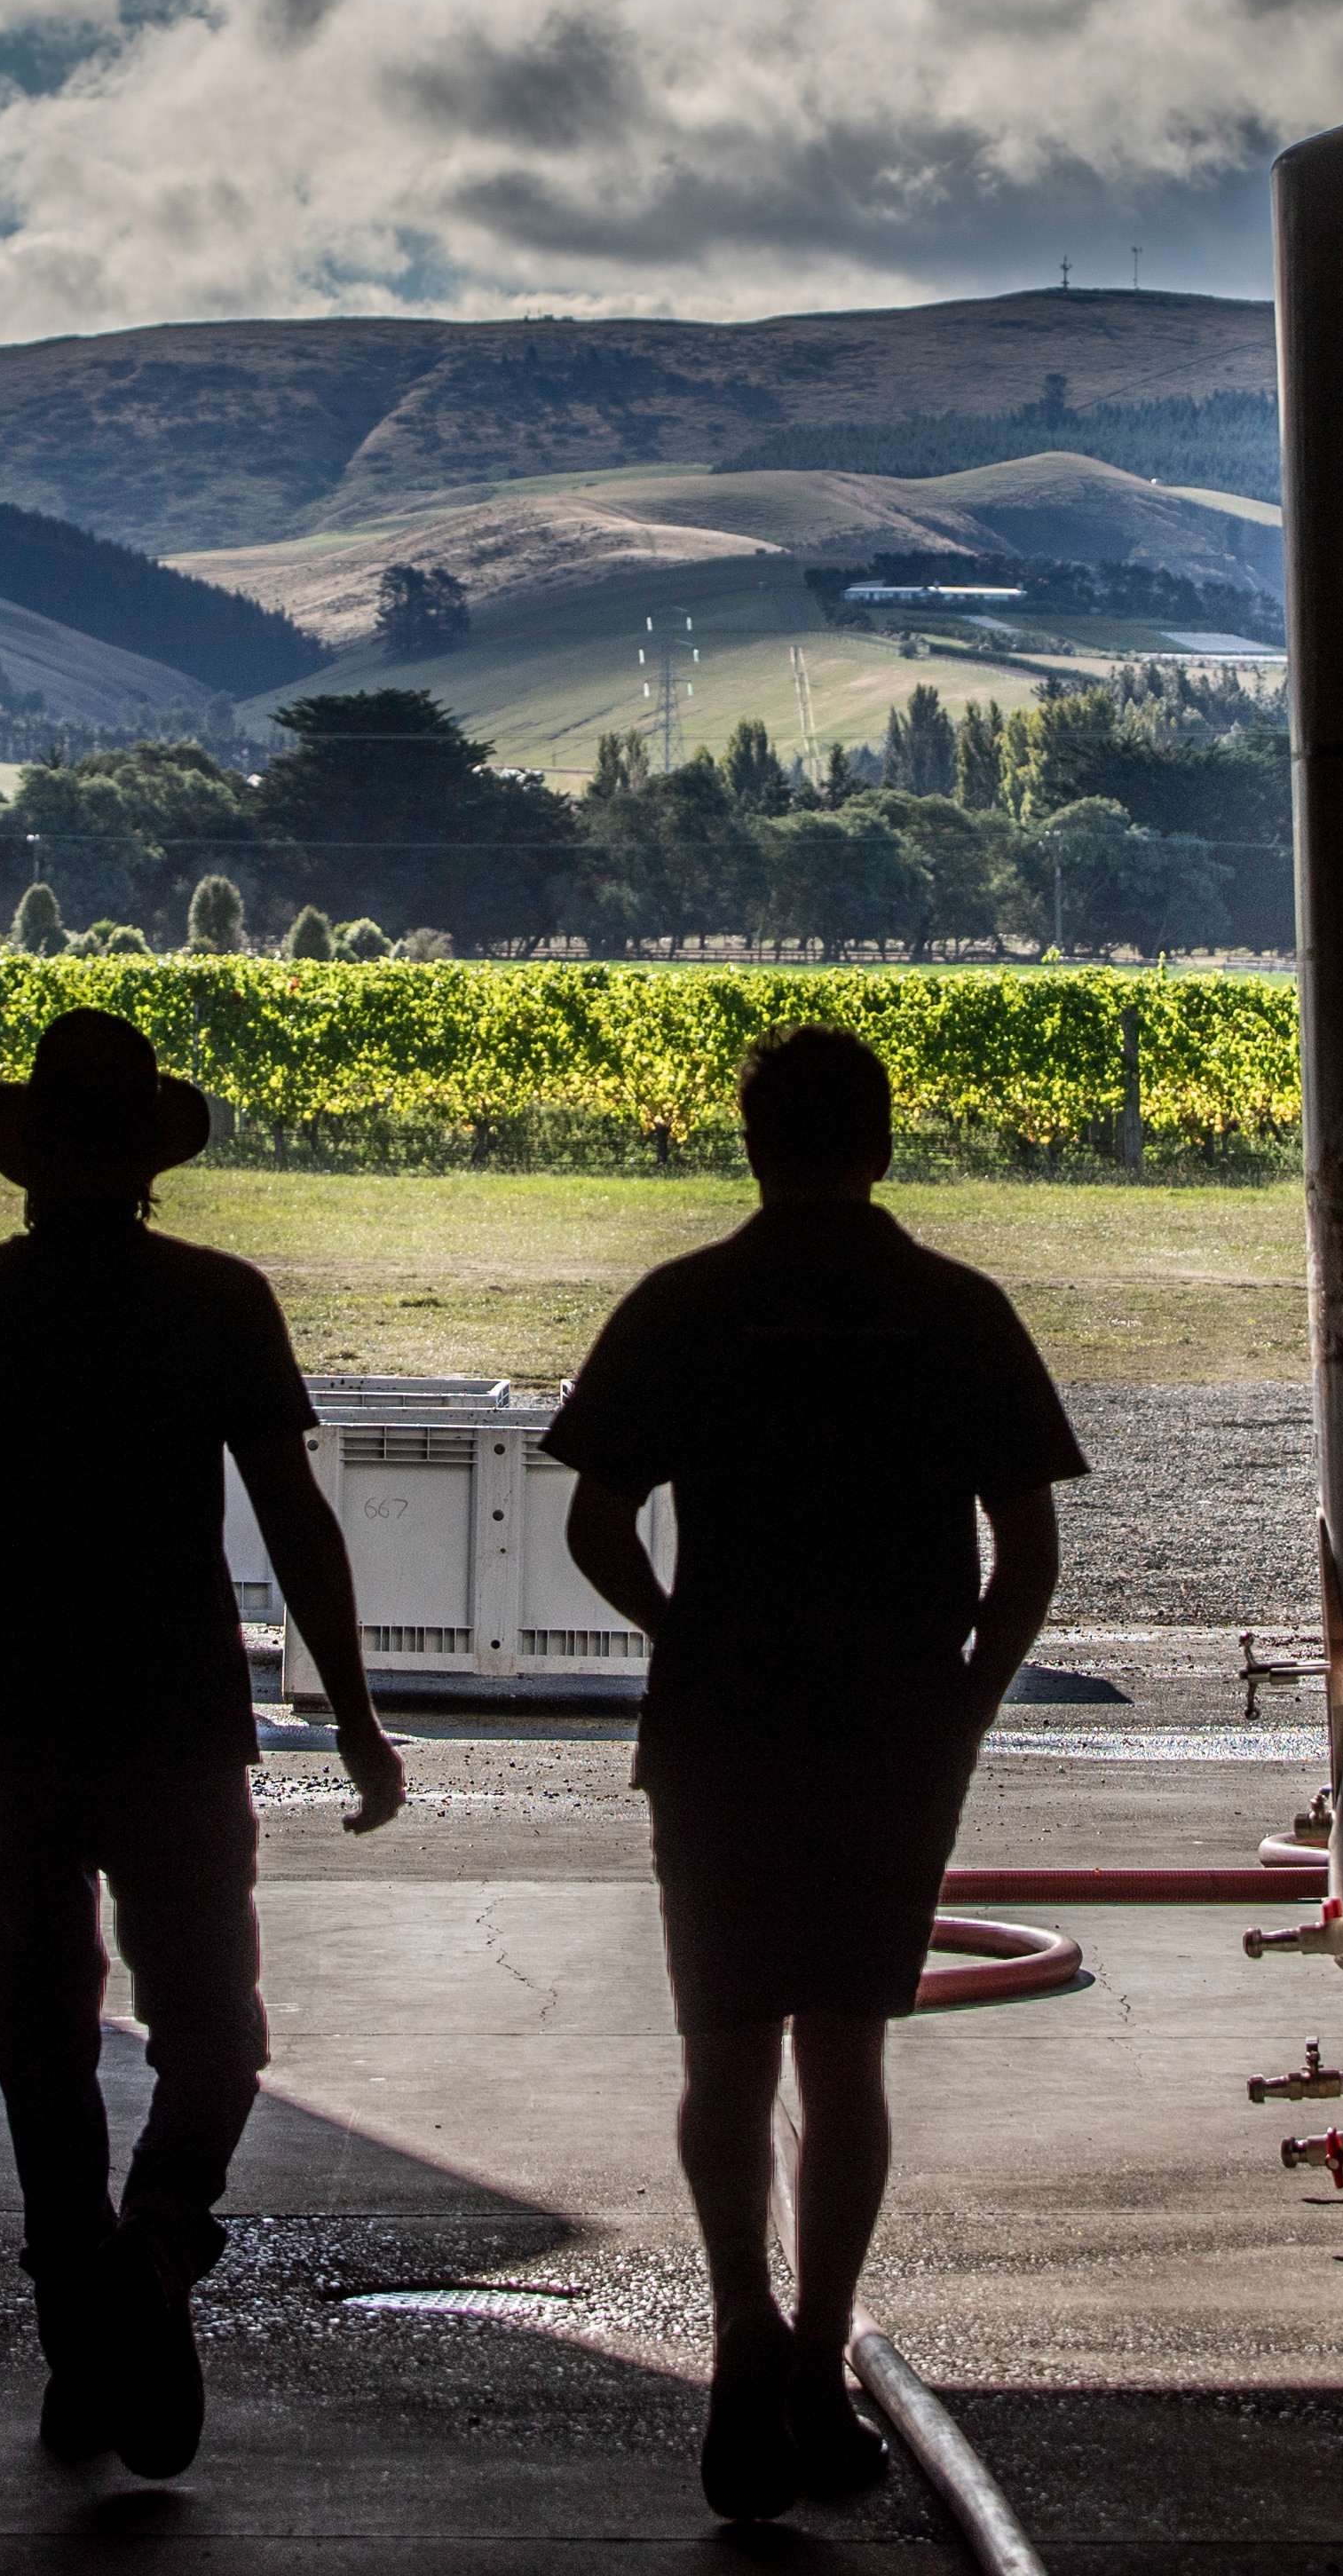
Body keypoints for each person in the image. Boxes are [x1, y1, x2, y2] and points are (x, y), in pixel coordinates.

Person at [0, 1007, 408, 2481]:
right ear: (152, 1164)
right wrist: (351, 1718)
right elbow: (296, 1520)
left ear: (25, 1160)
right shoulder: (220, 1304)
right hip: (177, 1724)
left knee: (40, 2044)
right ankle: (152, 2252)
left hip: (15, 1729)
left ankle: (83, 2325)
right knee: (219, 2030)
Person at [548, 1023, 1085, 2519]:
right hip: (891, 1728)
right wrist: (965, 1708)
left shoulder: (684, 1305)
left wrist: (682, 1633)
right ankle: (817, 2363)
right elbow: (1028, 1553)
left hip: (720, 1727)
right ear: (885, 1142)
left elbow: (595, 1523)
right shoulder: (955, 1310)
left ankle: (737, 2341)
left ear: (749, 1141)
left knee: (726, 2055)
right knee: (846, 2052)